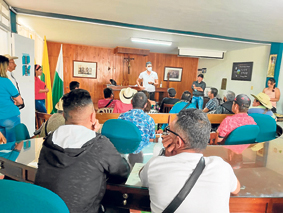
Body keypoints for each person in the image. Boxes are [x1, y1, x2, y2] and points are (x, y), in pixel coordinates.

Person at [35, 89, 130, 213]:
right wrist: (95, 135)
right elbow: (123, 172)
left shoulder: (48, 141)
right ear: (92, 116)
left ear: (64, 115)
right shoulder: (99, 144)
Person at [140, 109, 240, 213]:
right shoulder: (222, 166)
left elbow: (142, 177)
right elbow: (236, 189)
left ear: (178, 142)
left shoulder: (156, 165)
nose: (167, 134)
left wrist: (164, 156)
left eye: (169, 131)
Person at [118, 92, 155, 167]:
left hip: (125, 152)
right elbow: (152, 139)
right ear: (145, 105)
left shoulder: (122, 116)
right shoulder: (149, 119)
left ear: (131, 102)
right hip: (143, 153)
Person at [0, 56, 23, 142]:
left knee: (2, 144)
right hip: (10, 116)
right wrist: (15, 101)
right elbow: (20, 101)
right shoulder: (5, 81)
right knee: (13, 143)